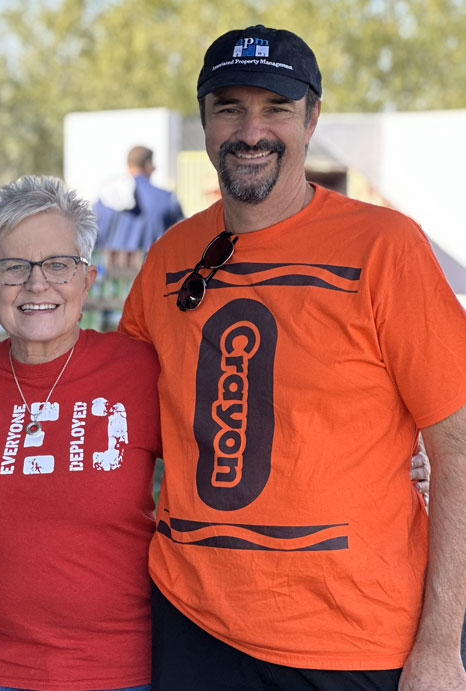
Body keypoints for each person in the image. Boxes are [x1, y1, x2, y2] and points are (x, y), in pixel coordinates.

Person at [117, 25, 466, 690]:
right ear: (205, 122)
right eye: (229, 108)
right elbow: (110, 397)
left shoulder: (383, 247)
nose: (251, 131)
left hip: (352, 639)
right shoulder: (170, 257)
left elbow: (459, 448)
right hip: (193, 625)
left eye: (274, 108)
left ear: (311, 119)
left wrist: (441, 645)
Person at [0, 175, 158, 691]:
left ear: (87, 279)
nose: (37, 284)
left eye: (58, 264)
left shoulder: (141, 371)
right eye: (14, 267)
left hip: (115, 672)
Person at [93, 146, 184, 253]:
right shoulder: (167, 199)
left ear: (129, 165)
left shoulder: (105, 198)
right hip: (150, 267)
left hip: (108, 268)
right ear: (148, 165)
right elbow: (181, 238)